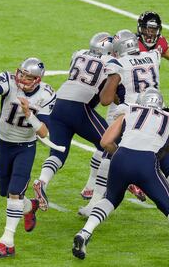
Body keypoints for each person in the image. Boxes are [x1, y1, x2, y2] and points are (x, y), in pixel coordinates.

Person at [72, 88, 169, 265]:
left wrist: (120, 155)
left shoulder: (128, 109)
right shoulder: (168, 116)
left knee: (110, 199)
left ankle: (85, 232)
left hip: (120, 158)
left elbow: (105, 142)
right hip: (146, 162)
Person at [0, 57, 56, 258]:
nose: (24, 79)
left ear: (38, 79)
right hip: (4, 143)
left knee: (15, 192)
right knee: (5, 192)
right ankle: (30, 206)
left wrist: (29, 114)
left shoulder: (47, 94)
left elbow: (44, 132)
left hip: (25, 147)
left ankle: (7, 242)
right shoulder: (9, 80)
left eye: (29, 76)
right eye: (23, 74)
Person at [78, 29, 162, 217]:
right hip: (156, 115)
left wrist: (113, 91)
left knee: (109, 153)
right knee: (161, 161)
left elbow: (106, 99)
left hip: (131, 115)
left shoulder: (118, 63)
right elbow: (159, 51)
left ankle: (95, 203)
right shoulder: (152, 56)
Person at [32, 32, 113, 211]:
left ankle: (42, 182)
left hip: (59, 104)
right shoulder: (110, 62)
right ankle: (96, 200)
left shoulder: (78, 53)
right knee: (110, 144)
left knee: (58, 152)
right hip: (79, 107)